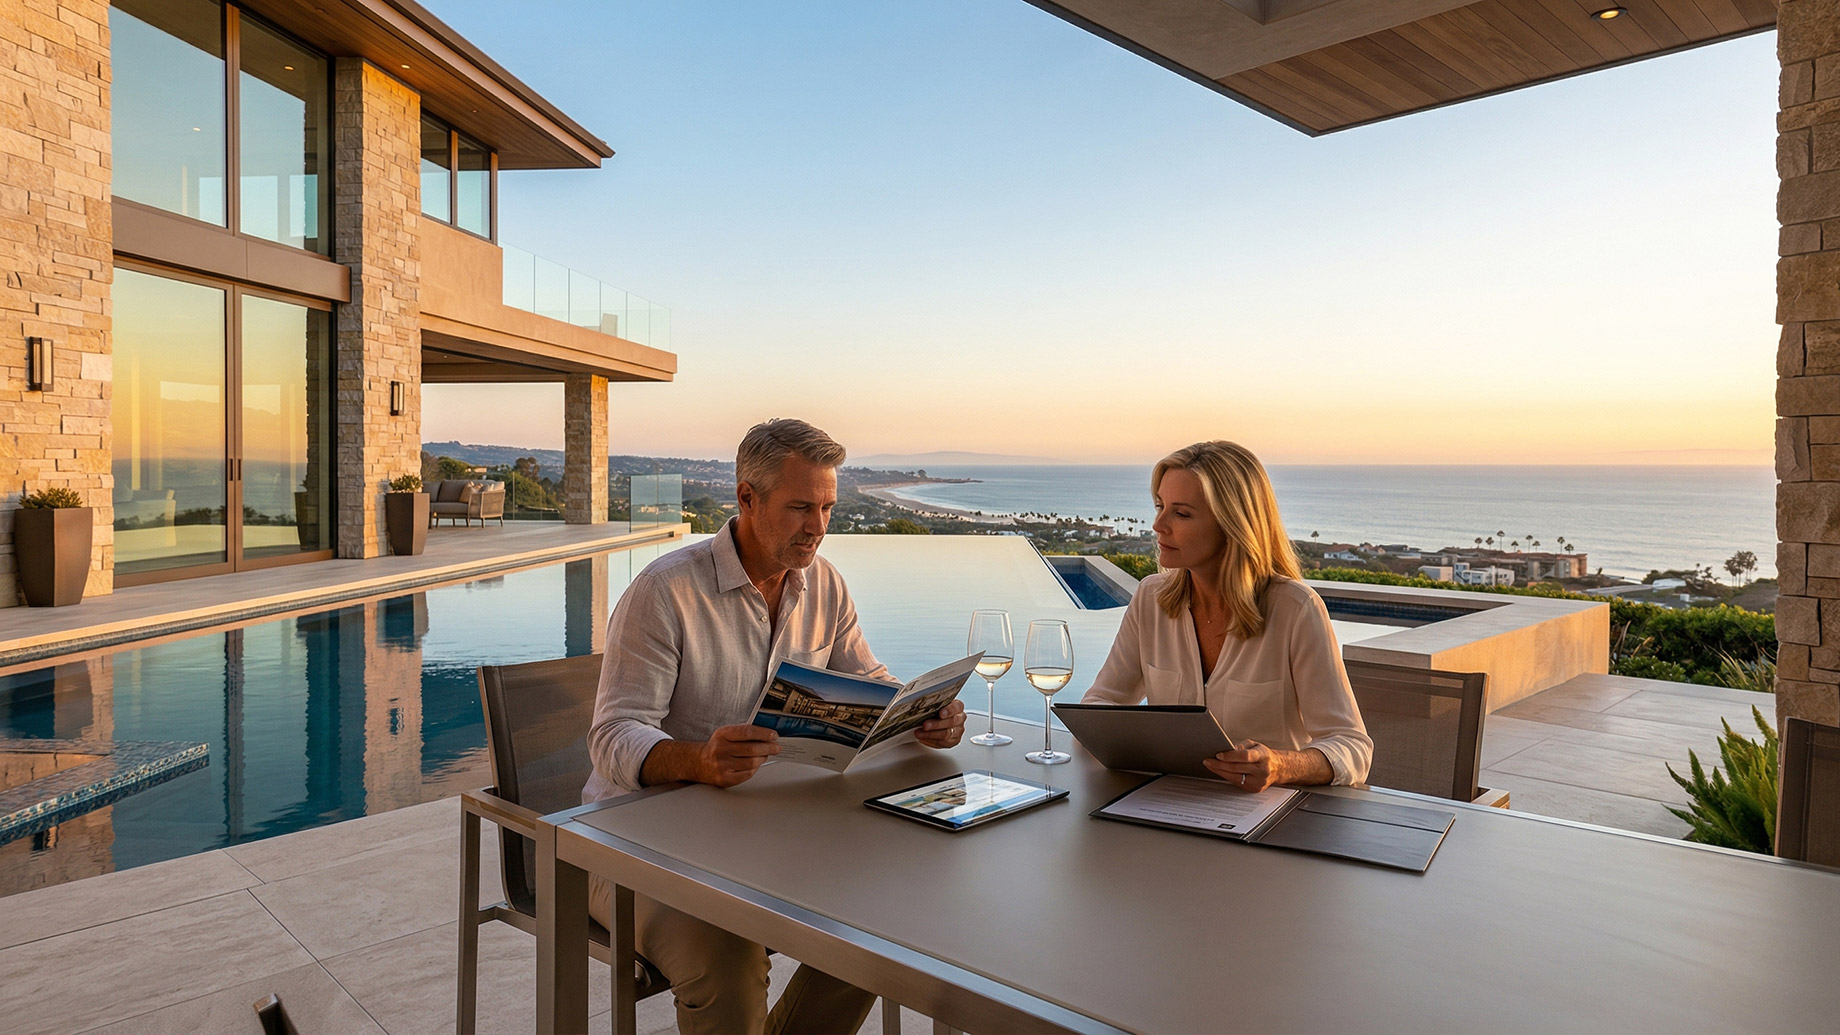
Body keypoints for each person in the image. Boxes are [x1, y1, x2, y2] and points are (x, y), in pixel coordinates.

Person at [583, 418, 966, 1035]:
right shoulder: (666, 592)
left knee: (879, 925)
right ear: (746, 499)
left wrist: (921, 714)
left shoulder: (826, 586)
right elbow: (613, 734)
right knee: (727, 958)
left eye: (827, 507)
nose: (818, 526)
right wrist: (697, 761)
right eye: (799, 508)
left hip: (763, 834)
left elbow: (869, 682)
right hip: (635, 845)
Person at [1082, 440, 1371, 789]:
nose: (1158, 524)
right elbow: (1101, 704)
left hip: (1267, 820)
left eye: (1181, 513)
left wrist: (1281, 765)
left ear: (1232, 523)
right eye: (1159, 506)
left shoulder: (1296, 610)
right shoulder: (1150, 598)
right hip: (1167, 807)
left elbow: (1352, 747)